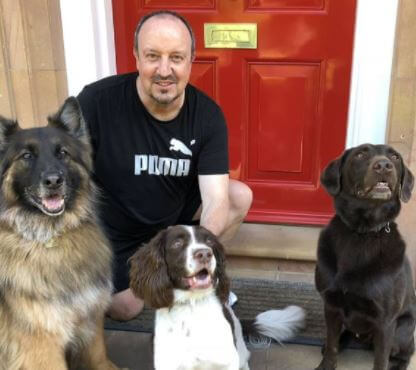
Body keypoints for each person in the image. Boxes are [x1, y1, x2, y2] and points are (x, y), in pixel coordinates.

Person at [77, 10, 252, 321]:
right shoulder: (96, 102)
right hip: (117, 231)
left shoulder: (207, 116)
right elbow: (64, 171)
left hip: (172, 223)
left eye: (176, 57)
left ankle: (194, 279)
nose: (164, 70)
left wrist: (192, 256)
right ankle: (165, 281)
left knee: (238, 196)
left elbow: (215, 199)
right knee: (126, 309)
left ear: (191, 60)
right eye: (152, 56)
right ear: (136, 57)